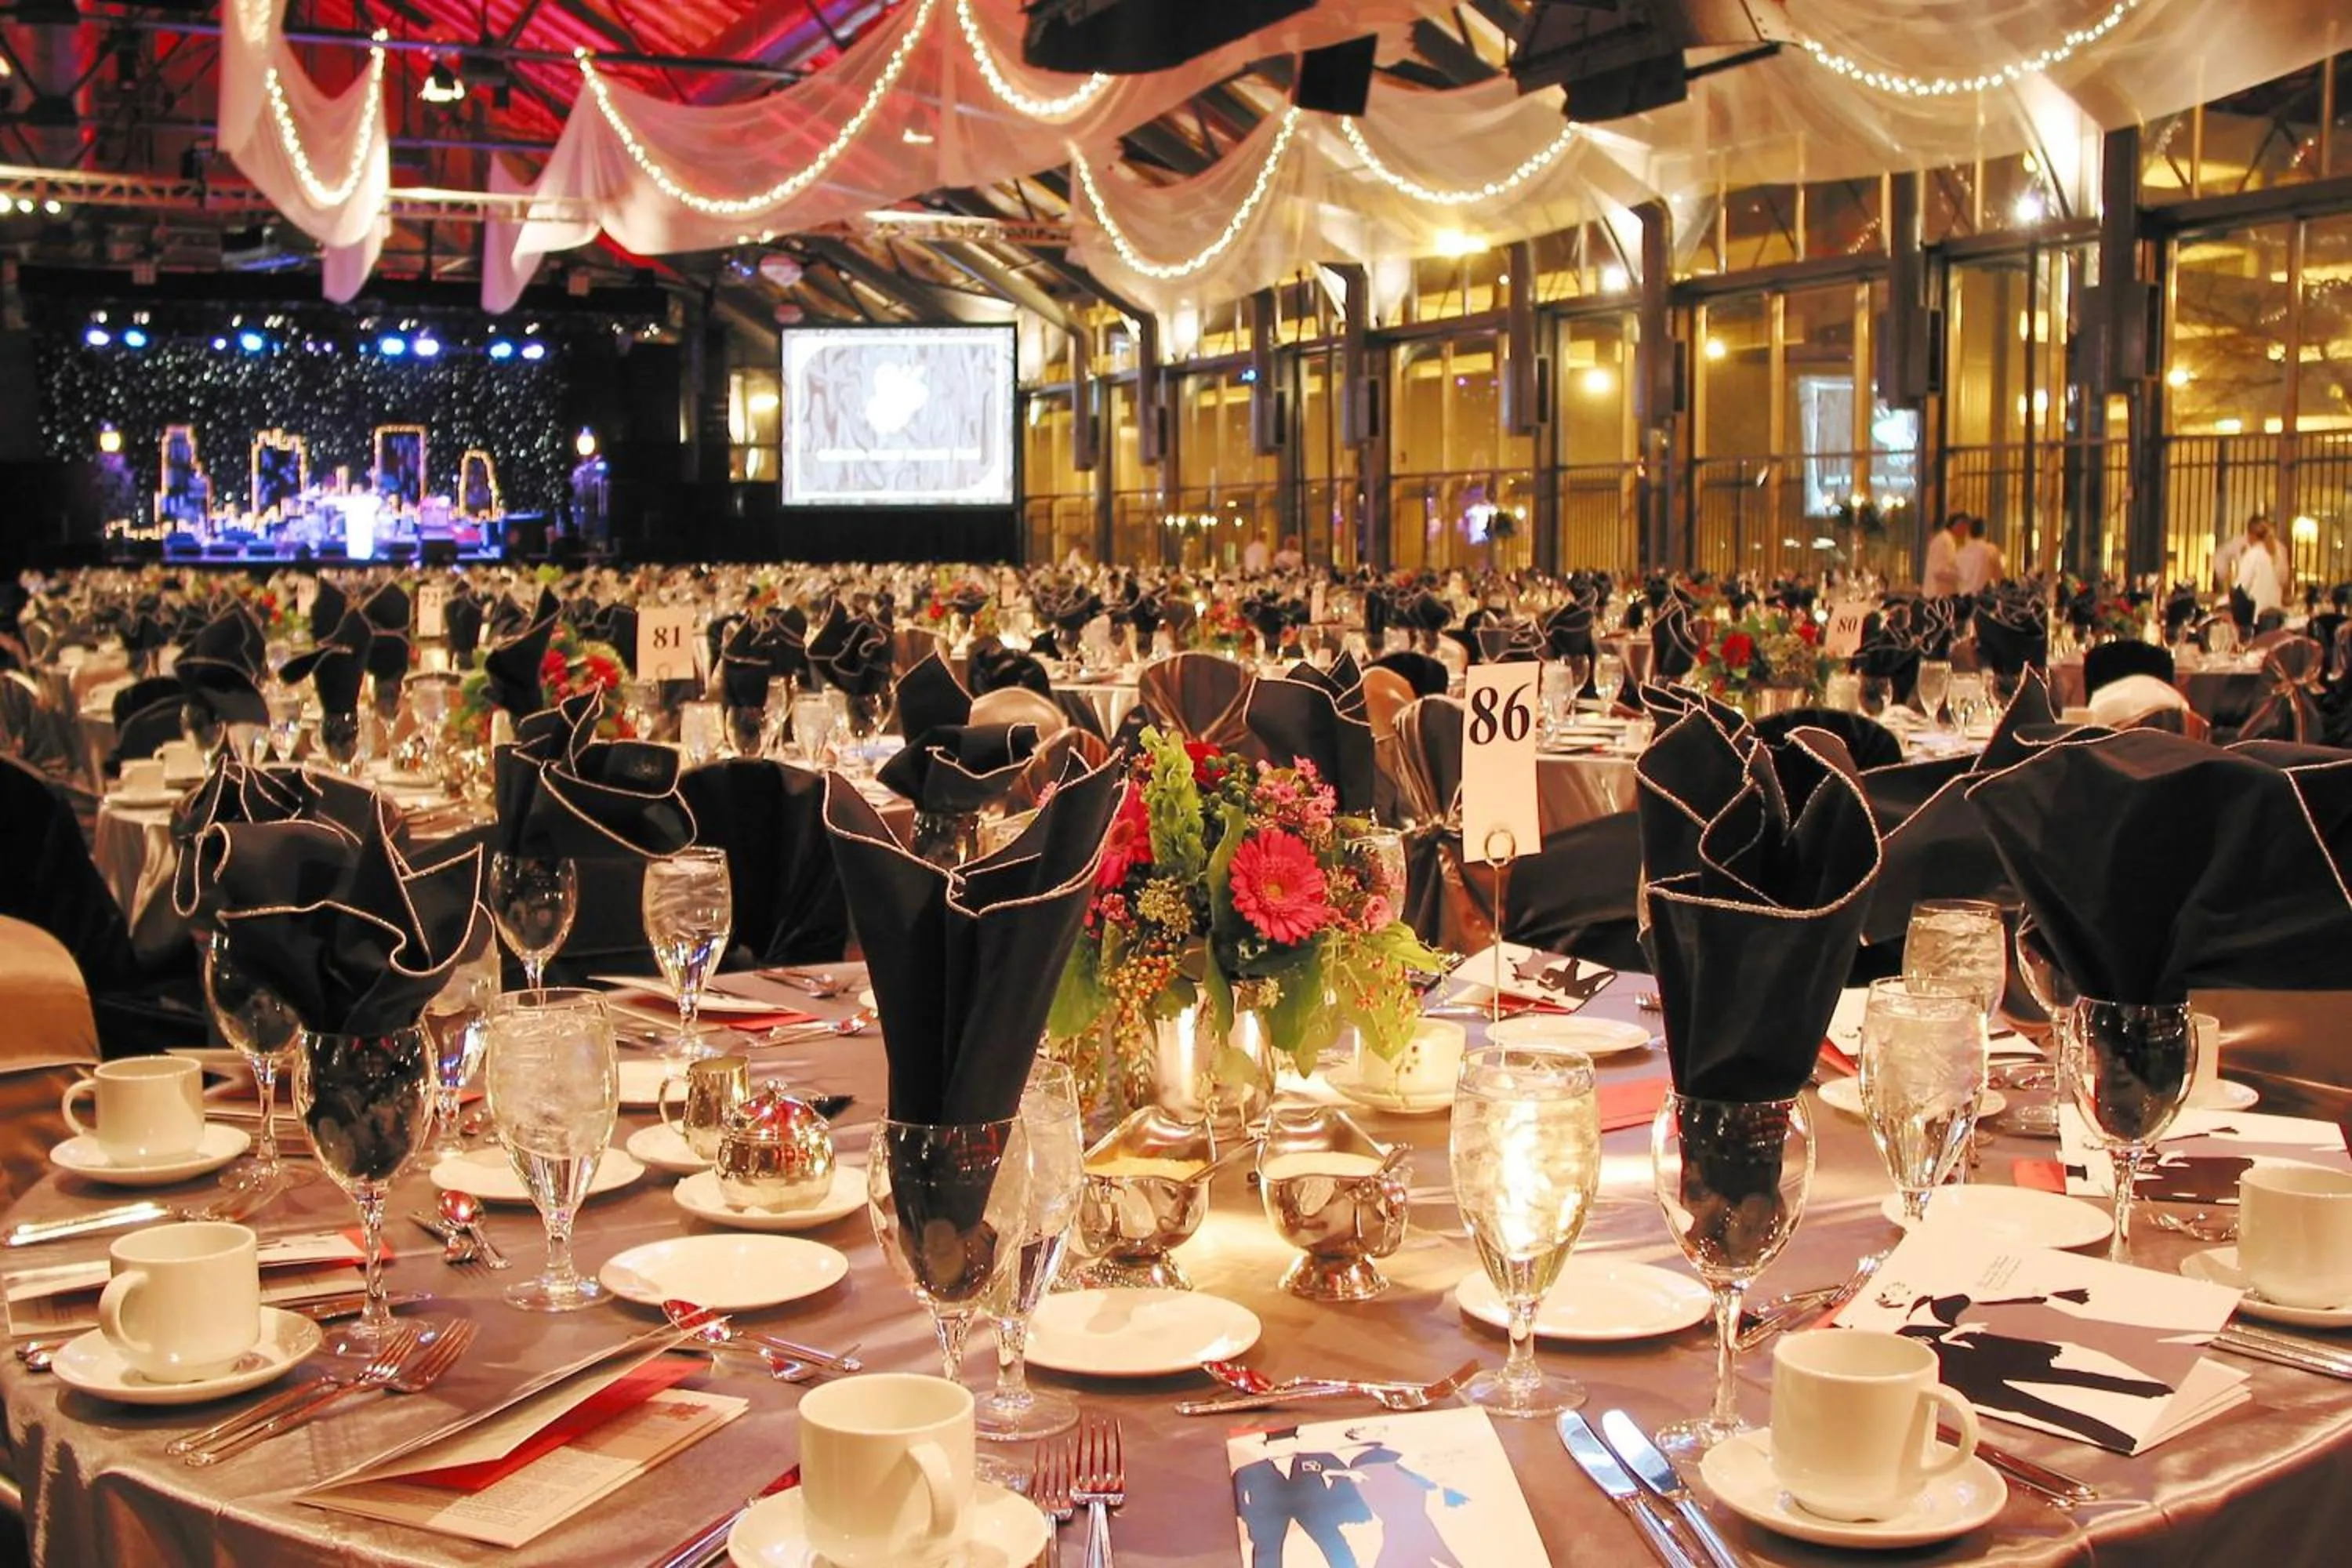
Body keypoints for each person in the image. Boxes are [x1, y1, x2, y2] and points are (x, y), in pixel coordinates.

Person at [2235, 514, 2285, 618]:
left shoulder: (2253, 554)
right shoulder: (2277, 553)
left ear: (2250, 534)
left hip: (2257, 616)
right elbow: (2283, 580)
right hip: (2275, 614)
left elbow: (2241, 588)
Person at [1924, 512, 1969, 597]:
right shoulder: (1946, 541)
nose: (1966, 533)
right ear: (1959, 525)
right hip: (1938, 594)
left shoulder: (1944, 539)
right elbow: (1939, 570)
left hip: (1937, 593)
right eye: (1965, 528)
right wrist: (1961, 575)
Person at [1957, 516, 2005, 593]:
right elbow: (1999, 578)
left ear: (1968, 532)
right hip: (1982, 599)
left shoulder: (1959, 553)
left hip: (1962, 598)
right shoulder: (1990, 550)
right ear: (1985, 532)